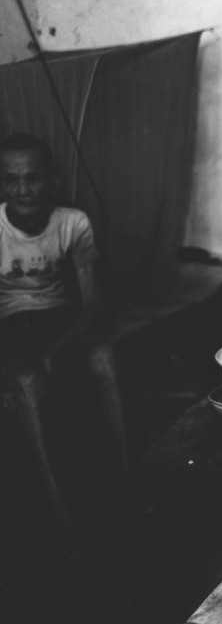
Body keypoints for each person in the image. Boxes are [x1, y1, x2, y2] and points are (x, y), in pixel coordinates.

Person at [0, 133, 127, 532]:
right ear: (2, 184)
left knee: (104, 357)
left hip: (61, 319)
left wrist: (57, 349)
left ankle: (129, 476)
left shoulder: (73, 223)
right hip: (10, 325)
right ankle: (58, 504)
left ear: (52, 181)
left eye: (33, 178)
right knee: (28, 383)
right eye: (12, 179)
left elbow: (91, 303)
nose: (23, 189)